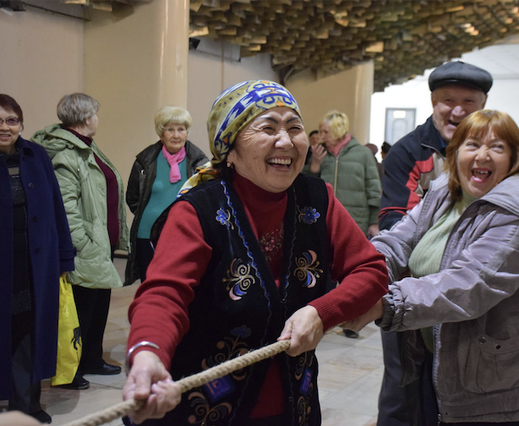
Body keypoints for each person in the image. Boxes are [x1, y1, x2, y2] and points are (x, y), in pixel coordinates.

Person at [122, 80, 389, 426]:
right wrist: (147, 353)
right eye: (268, 127)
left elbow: (371, 270)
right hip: (204, 408)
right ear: (229, 149)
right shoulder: (199, 210)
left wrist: (321, 312)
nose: (286, 140)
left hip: (293, 405)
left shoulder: (316, 198)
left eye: (294, 127)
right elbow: (164, 294)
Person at [345, 109, 519, 426]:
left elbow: (468, 285)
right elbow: (398, 241)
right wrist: (362, 277)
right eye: (472, 144)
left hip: (491, 375)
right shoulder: (443, 194)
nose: (483, 155)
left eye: (498, 147)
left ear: (515, 158)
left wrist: (386, 303)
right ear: (456, 152)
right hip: (436, 355)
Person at [376, 61, 492, 426]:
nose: (457, 111)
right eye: (447, 100)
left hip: (469, 295)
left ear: (484, 103)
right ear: (432, 101)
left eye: (468, 101)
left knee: (458, 384)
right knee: (402, 386)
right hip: (411, 289)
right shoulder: (409, 151)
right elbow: (394, 220)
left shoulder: (497, 154)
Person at [32, 93, 129, 389]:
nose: (97, 119)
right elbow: (66, 207)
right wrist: (84, 244)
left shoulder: (87, 147)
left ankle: (91, 360)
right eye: (96, 115)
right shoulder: (66, 153)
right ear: (87, 118)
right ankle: (69, 371)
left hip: (100, 245)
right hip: (85, 248)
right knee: (80, 313)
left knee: (98, 307)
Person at [0, 94, 75, 424]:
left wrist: (64, 259)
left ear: (21, 124)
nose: (4, 127)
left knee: (31, 331)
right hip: (3, 267)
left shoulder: (37, 155)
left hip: (35, 266)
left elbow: (57, 207)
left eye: (11, 120)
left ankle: (27, 403)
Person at [124, 106, 208, 285]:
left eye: (181, 129)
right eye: (170, 129)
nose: (176, 135)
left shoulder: (200, 163)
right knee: (150, 287)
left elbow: (206, 200)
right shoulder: (145, 161)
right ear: (161, 134)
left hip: (184, 236)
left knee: (181, 287)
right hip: (147, 236)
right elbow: (132, 198)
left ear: (187, 132)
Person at [309, 110, 381, 238]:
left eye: (326, 132)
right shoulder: (319, 153)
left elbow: (374, 190)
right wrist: (314, 166)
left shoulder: (363, 153)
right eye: (321, 132)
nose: (322, 136)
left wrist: (373, 222)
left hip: (356, 221)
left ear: (338, 131)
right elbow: (307, 187)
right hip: (324, 220)